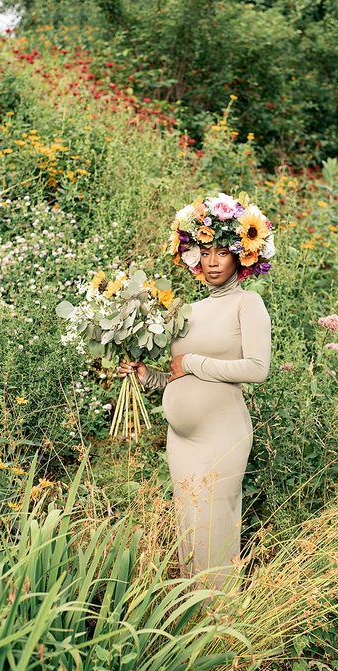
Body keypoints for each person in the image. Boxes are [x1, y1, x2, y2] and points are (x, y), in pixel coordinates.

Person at [118, 193, 273, 590]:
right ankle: (193, 624)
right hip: (181, 441)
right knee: (189, 529)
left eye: (223, 252)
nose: (213, 261)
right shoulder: (189, 309)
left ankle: (221, 621)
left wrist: (193, 363)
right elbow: (175, 375)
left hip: (221, 435)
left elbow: (257, 368)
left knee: (213, 525)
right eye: (205, 252)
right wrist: (145, 375)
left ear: (242, 256)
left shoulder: (247, 303)